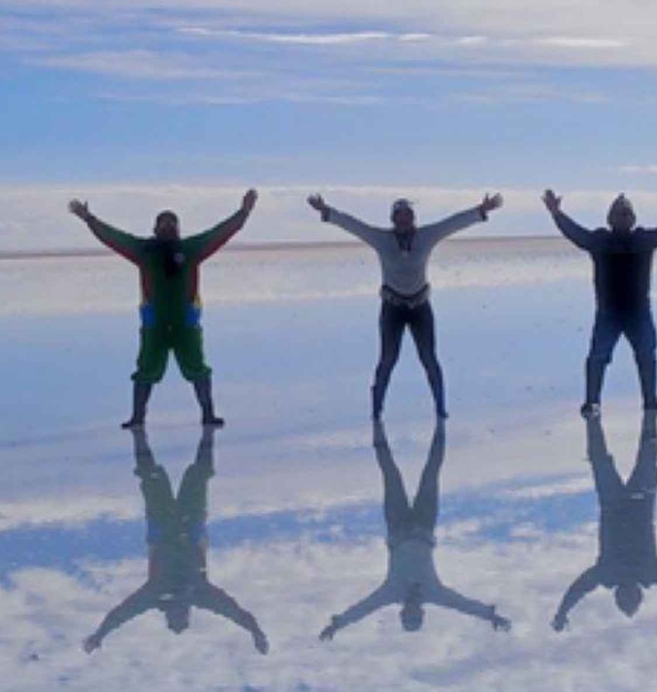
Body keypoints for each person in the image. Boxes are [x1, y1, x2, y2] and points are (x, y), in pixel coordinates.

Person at [69, 191, 256, 428]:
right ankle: (138, 418)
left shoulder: (191, 249)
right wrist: (89, 219)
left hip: (185, 325)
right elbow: (114, 238)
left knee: (197, 369)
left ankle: (208, 414)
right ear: (155, 228)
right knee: (146, 370)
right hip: (154, 326)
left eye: (172, 223)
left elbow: (219, 233)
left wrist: (243, 213)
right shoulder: (143, 250)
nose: (168, 227)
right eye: (163, 223)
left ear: (178, 229)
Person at [307, 193, 502, 419]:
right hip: (392, 308)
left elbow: (452, 224)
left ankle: (440, 408)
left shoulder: (426, 236)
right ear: (393, 219)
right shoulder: (381, 239)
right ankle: (376, 409)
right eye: (399, 216)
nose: (403, 220)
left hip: (420, 306)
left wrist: (480, 211)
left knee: (429, 359)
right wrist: (326, 211)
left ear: (413, 218)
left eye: (407, 215)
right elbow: (355, 226)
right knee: (387, 360)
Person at [83, 426, 267, 654]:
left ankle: (140, 433)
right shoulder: (199, 594)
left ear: (169, 614)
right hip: (187, 526)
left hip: (165, 526)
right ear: (187, 611)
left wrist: (100, 634)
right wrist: (255, 632)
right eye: (183, 614)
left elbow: (122, 614)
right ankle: (207, 431)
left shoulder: (156, 594)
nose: (179, 610)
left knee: (154, 477)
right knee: (195, 476)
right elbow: (235, 613)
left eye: (175, 615)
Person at [320, 420, 510, 638]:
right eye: (416, 615)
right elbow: (462, 604)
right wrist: (491, 616)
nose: (412, 611)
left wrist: (337, 625)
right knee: (431, 472)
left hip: (398, 526)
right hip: (424, 525)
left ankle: (377, 423)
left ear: (402, 613)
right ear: (421, 613)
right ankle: (440, 422)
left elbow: (364, 608)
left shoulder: (391, 592)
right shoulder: (433, 592)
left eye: (408, 616)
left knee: (390, 474)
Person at [543, 186, 657, 417]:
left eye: (627, 213)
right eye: (620, 213)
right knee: (598, 356)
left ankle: (651, 402)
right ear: (610, 219)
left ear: (633, 219)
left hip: (639, 312)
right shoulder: (600, 241)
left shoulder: (643, 240)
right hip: (608, 313)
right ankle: (592, 402)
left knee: (647, 355)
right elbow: (576, 233)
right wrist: (557, 214)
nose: (624, 217)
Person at [552, 411, 657, 631]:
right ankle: (601, 419)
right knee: (613, 459)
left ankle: (635, 416)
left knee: (638, 456)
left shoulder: (631, 573)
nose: (627, 594)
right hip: (626, 502)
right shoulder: (624, 573)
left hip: (628, 502)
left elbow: (578, 590)